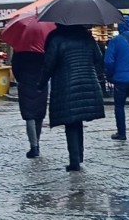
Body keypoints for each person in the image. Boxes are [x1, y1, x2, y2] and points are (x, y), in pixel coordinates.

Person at [38, 24, 105, 172]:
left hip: (66, 84)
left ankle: (74, 160)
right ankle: (79, 155)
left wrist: (41, 83)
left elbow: (49, 64)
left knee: (71, 122)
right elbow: (98, 59)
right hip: (87, 81)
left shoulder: (56, 39)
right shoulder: (86, 37)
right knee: (77, 119)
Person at [11, 50, 47, 158]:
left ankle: (34, 146)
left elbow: (15, 67)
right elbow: (49, 65)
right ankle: (37, 143)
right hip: (41, 83)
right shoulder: (43, 48)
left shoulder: (20, 49)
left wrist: (21, 79)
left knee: (29, 115)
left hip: (25, 83)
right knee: (39, 114)